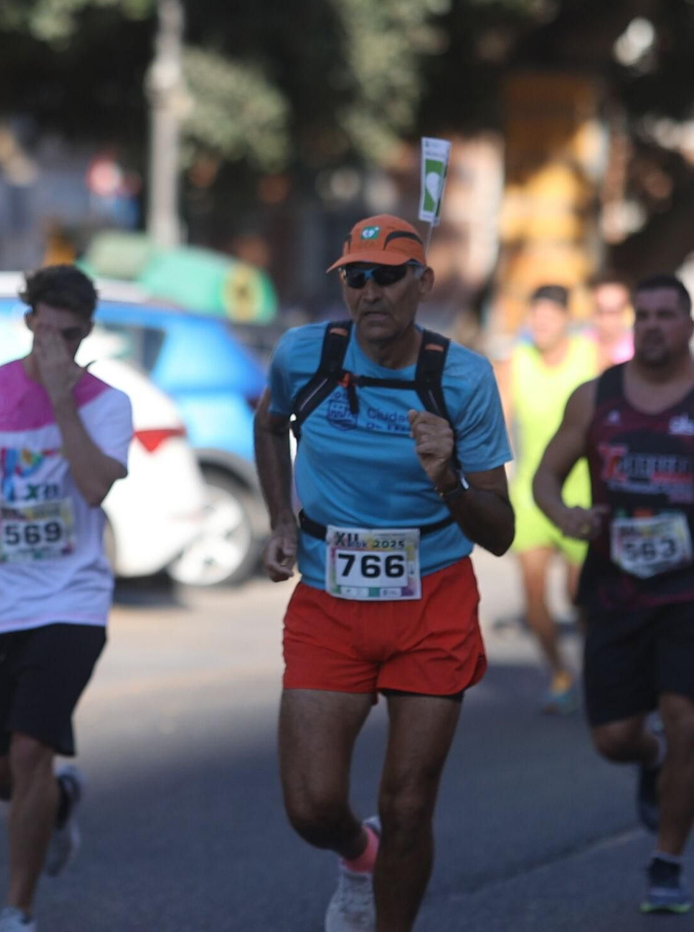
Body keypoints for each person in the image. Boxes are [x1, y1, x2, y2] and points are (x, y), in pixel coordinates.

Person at [253, 216, 514, 932]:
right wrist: (281, 521)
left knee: (407, 806)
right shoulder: (304, 355)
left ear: (422, 284)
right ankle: (356, 855)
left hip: (434, 599)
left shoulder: (461, 378)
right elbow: (270, 424)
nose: (370, 292)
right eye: (355, 277)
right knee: (311, 806)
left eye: (388, 277)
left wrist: (448, 477)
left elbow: (499, 532)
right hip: (329, 599)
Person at [0, 265, 133, 932]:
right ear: (29, 322)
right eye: (47, 331)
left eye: (71, 335)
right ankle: (58, 804)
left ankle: (17, 910)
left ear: (87, 333)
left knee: (30, 753)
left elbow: (93, 486)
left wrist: (61, 400)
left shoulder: (106, 403)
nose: (57, 346)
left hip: (69, 601)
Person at [533, 274, 694, 916]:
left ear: (687, 326)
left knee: (687, 722)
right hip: (615, 590)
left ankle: (667, 862)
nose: (652, 325)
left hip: (688, 595)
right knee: (614, 738)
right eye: (643, 316)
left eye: (665, 315)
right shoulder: (596, 398)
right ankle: (650, 758)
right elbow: (546, 477)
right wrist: (567, 516)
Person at [502, 285, 598, 713]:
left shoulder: (591, 357)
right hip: (531, 492)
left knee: (580, 596)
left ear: (566, 319)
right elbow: (495, 423)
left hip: (582, 491)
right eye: (535, 316)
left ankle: (598, 667)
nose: (541, 324)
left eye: (549, 317)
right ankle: (560, 673)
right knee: (533, 589)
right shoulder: (515, 364)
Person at [593, 276, 635, 368]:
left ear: (627, 312)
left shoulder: (638, 350)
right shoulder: (579, 343)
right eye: (599, 310)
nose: (604, 318)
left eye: (612, 312)